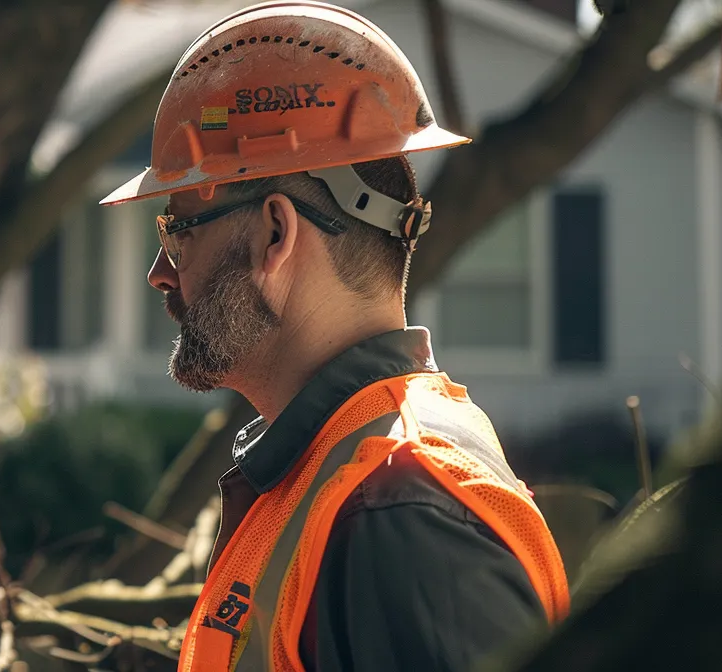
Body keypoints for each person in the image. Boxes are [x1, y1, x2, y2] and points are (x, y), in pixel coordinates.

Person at [99, 2, 571, 670]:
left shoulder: (398, 507)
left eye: (178, 234)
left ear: (274, 235)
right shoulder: (333, 479)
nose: (158, 275)